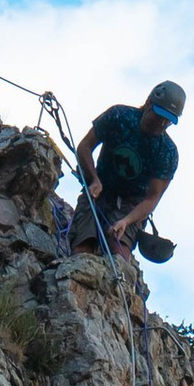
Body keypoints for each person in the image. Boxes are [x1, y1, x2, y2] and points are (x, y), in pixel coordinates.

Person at [70, 81, 186, 263]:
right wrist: (94, 179)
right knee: (82, 249)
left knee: (119, 256)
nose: (162, 123)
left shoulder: (167, 152)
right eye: (159, 116)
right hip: (98, 191)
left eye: (168, 121)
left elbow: (152, 198)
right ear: (148, 104)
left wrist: (127, 221)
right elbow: (85, 146)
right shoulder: (119, 117)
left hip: (132, 204)